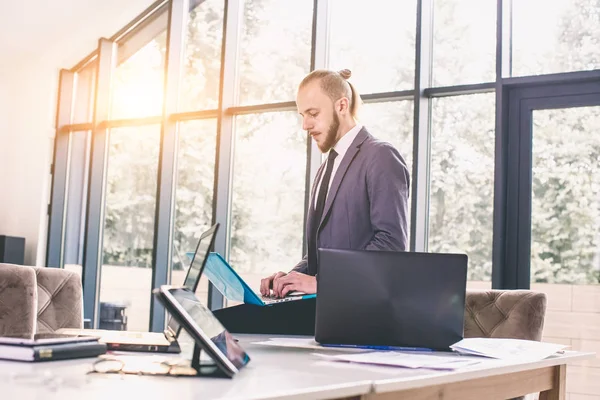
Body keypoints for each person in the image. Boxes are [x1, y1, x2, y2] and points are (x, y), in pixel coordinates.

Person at [260, 68, 410, 298]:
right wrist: (290, 279)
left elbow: (391, 245)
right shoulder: (325, 168)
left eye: (313, 113)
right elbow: (321, 256)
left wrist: (324, 282)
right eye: (303, 115)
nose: (305, 125)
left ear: (341, 106)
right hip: (327, 312)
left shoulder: (380, 156)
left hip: (363, 314)